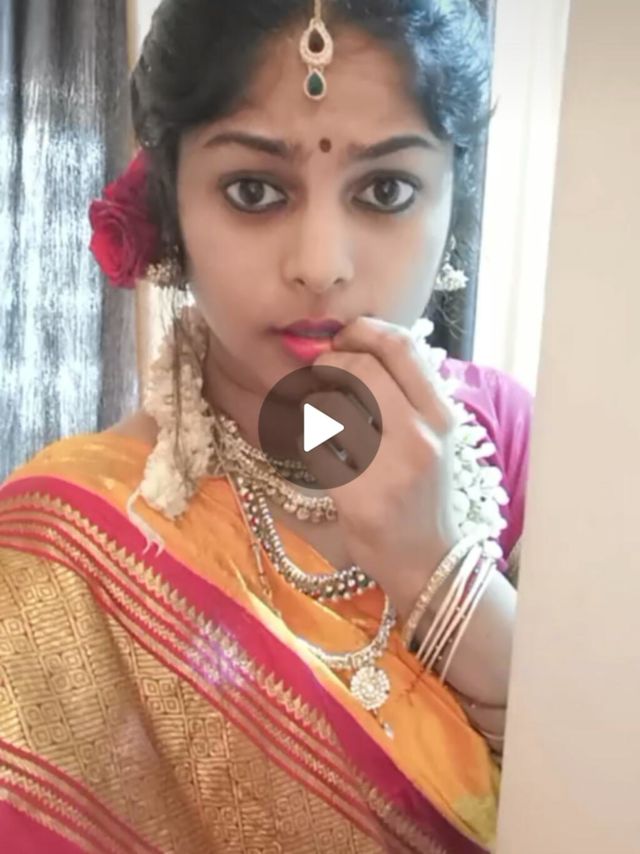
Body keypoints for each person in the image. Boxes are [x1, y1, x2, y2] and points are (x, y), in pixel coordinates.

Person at [0, 1, 533, 851]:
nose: (321, 265)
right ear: (172, 207)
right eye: (254, 191)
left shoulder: (515, 449)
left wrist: (435, 569)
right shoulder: (71, 543)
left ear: (452, 203)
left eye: (386, 191)